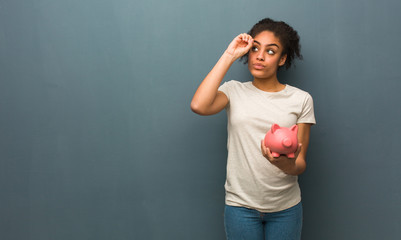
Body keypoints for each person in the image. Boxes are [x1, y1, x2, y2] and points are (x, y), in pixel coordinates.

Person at [191, 17, 316, 240]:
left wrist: (282, 162)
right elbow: (199, 106)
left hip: (285, 209)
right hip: (240, 207)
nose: (259, 56)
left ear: (282, 59)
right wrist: (230, 55)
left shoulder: (301, 99)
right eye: (255, 48)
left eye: (271, 51)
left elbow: (300, 164)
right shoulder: (233, 91)